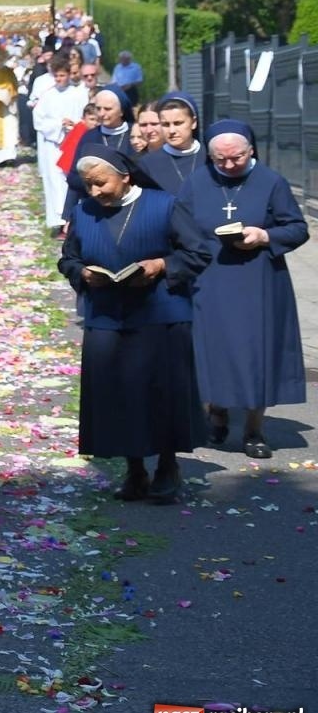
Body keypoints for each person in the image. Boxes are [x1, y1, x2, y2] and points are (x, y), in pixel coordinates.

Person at [59, 146, 211, 503]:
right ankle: (135, 469)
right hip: (107, 315)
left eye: (101, 183)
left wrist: (161, 266)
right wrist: (82, 273)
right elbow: (68, 259)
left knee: (161, 392)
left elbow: (198, 252)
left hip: (160, 314)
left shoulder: (165, 205)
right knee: (116, 393)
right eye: (88, 184)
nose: (94, 191)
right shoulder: (84, 212)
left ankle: (167, 467)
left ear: (125, 176)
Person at [180, 122, 309, 459]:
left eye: (236, 157)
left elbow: (297, 228)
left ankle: (254, 428)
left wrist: (265, 236)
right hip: (210, 278)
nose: (228, 165)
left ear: (251, 150)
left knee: (257, 353)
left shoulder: (271, 182)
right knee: (215, 349)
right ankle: (217, 412)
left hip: (259, 280)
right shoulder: (197, 182)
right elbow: (179, 224)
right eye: (220, 159)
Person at [61, 85, 134, 226]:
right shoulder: (89, 137)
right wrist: (68, 214)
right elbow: (74, 177)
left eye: (108, 109)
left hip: (130, 206)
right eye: (98, 108)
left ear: (122, 110)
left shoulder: (134, 134)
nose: (102, 114)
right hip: (95, 207)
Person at [139, 92, 205, 195]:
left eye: (178, 123)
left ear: (193, 122)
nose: (172, 130)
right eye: (165, 124)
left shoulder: (209, 157)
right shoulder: (148, 164)